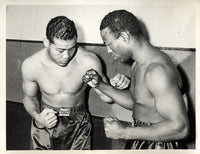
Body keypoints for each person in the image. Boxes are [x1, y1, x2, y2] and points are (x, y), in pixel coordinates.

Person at [82, 10, 190, 149]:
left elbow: (181, 127)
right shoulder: (137, 65)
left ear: (125, 37)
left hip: (161, 145)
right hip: (143, 138)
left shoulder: (157, 70)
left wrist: (124, 133)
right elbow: (138, 102)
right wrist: (101, 85)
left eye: (109, 44)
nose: (108, 50)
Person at [21, 16, 130, 150]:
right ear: (46, 42)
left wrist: (118, 86)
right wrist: (38, 116)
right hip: (45, 119)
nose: (67, 56)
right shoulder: (31, 65)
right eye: (60, 50)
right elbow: (29, 97)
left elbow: (107, 97)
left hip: (78, 123)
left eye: (72, 48)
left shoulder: (88, 62)